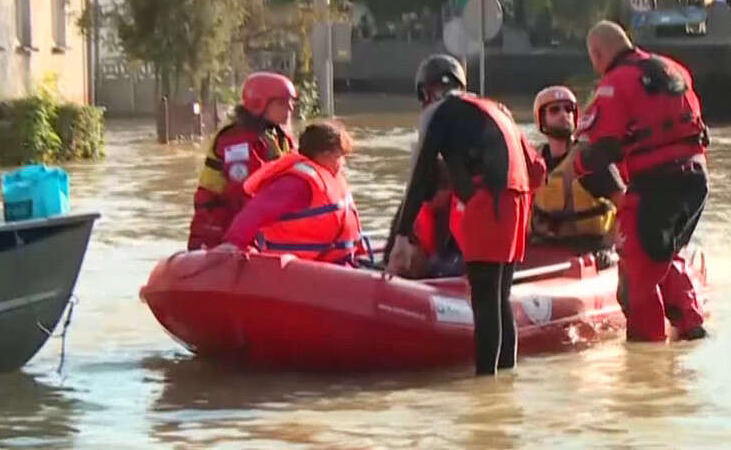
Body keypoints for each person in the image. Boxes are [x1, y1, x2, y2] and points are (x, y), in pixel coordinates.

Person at [386, 54, 543, 375]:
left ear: (425, 92)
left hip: (489, 202)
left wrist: (401, 235)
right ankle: (505, 380)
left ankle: (486, 385)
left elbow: (420, 176)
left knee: (484, 299)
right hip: (517, 201)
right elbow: (537, 169)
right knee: (500, 297)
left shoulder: (439, 113)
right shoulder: (496, 108)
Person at [571, 21, 709, 343]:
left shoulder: (615, 84)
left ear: (597, 53)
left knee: (636, 282)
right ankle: (692, 329)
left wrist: (603, 186)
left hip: (657, 186)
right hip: (696, 181)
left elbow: (596, 154)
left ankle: (646, 363)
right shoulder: (673, 69)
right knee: (664, 256)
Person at [218, 120, 367, 264]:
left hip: (338, 262)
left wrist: (360, 252)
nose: (343, 163)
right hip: (304, 268)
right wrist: (233, 242)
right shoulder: (296, 183)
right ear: (324, 155)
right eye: (339, 157)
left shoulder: (329, 177)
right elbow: (255, 211)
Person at [188, 72, 297, 250]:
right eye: (282, 103)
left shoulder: (279, 137)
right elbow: (248, 194)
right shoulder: (236, 142)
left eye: (292, 102)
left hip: (251, 230)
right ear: (259, 104)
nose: (290, 108)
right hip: (220, 232)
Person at [529, 86, 616, 248]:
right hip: (543, 247)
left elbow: (624, 203)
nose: (564, 114)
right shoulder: (531, 161)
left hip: (590, 249)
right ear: (541, 120)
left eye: (568, 109)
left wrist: (611, 245)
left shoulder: (591, 158)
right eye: (554, 110)